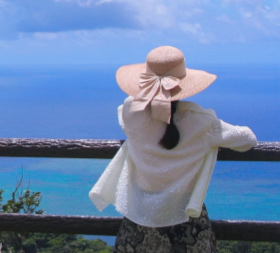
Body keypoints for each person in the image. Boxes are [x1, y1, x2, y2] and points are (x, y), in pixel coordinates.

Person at [89, 46, 257, 252]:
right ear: (183, 85)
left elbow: (131, 106)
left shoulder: (131, 115)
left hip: (139, 219)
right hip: (187, 221)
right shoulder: (201, 122)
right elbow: (248, 139)